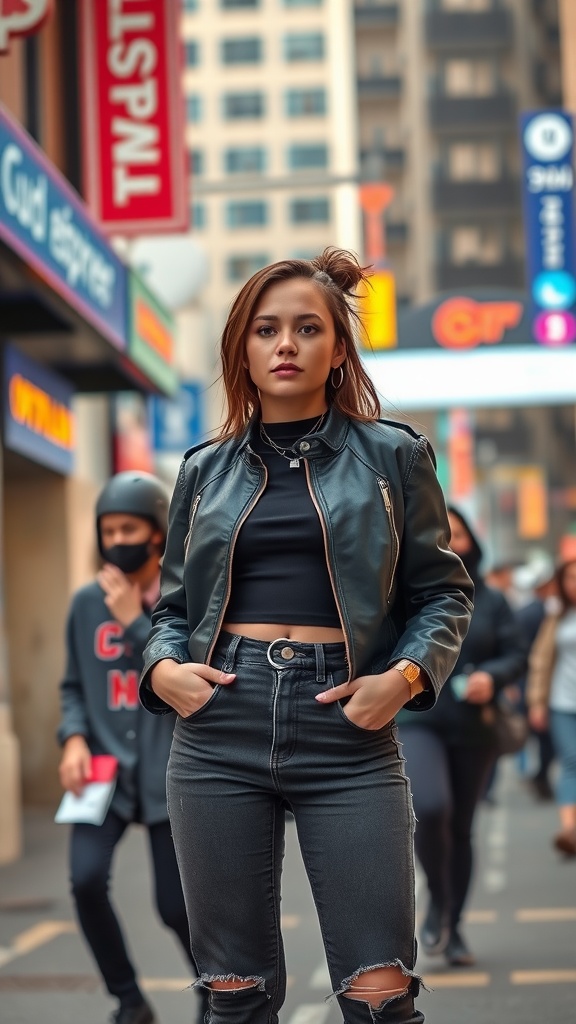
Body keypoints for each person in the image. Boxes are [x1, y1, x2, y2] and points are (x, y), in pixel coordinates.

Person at [138, 248, 474, 1024]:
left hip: (349, 725)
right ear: (242, 352)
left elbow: (443, 592)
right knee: (235, 993)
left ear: (336, 349)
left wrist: (405, 678)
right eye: (266, 329)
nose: (285, 344)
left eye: (306, 328)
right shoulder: (202, 471)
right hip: (219, 723)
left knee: (379, 991)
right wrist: (163, 671)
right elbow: (171, 612)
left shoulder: (395, 455)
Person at [57, 472, 206, 1024]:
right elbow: (73, 685)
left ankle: (217, 994)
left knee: (175, 907)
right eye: (108, 529)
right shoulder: (83, 604)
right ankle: (128, 1000)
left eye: (129, 528)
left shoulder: (188, 599)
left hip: (171, 771)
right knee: (86, 880)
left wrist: (133, 622)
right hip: (101, 770)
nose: (117, 539)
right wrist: (72, 738)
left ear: (157, 534)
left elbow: (187, 678)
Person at [398, 507, 526, 968]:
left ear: (472, 538)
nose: (451, 539)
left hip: (475, 726)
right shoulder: (403, 594)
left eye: (459, 531)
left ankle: (452, 923)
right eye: (440, 530)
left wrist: (491, 677)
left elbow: (516, 654)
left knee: (461, 828)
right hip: (419, 718)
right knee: (431, 807)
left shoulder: (490, 599)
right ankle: (437, 897)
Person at [527, 558, 576, 856]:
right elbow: (541, 661)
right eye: (570, 577)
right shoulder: (557, 617)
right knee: (571, 762)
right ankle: (569, 830)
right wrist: (537, 702)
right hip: (562, 702)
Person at [514, 559, 558, 800]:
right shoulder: (532, 613)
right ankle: (539, 777)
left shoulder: (555, 610)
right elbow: (526, 657)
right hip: (534, 686)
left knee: (546, 740)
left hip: (550, 687)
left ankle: (539, 776)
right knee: (542, 738)